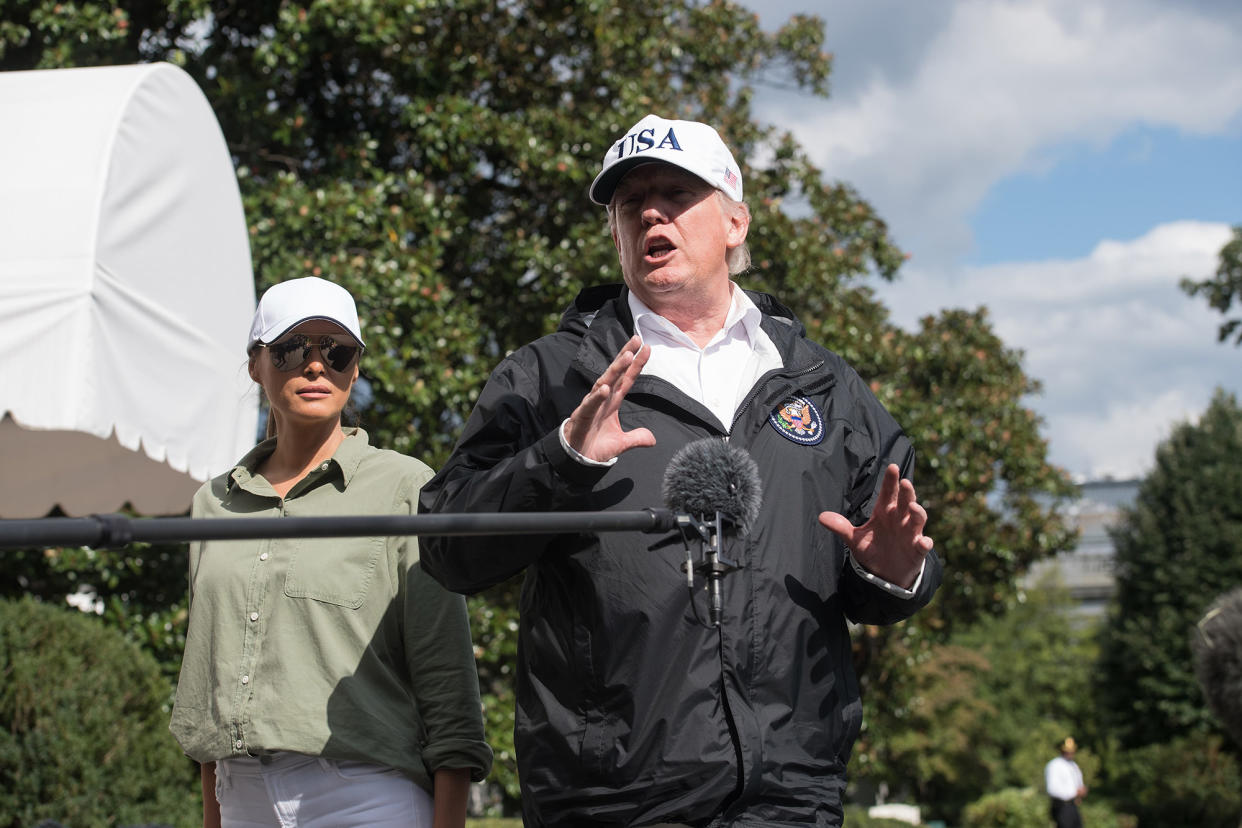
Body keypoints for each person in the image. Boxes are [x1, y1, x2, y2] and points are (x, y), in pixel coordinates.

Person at [418, 114, 942, 827]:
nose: (651, 213)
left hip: (789, 797)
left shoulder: (821, 384)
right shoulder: (551, 377)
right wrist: (559, 459)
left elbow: (894, 571)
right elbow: (448, 549)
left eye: (676, 193)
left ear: (734, 223)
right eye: (631, 204)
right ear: (616, 234)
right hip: (609, 799)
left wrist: (892, 571)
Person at [170, 276, 492, 828]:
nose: (316, 366)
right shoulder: (213, 504)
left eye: (337, 351)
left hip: (364, 796)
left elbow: (445, 676)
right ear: (256, 365)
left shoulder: (405, 487)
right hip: (240, 794)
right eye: (293, 349)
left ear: (356, 368)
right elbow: (207, 682)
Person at [1045, 737, 1087, 828]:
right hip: (1062, 806)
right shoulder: (1055, 765)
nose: (1070, 753)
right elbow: (1052, 789)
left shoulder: (1073, 765)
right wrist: (1074, 792)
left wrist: (1082, 790)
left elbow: (1078, 782)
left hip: (1073, 805)